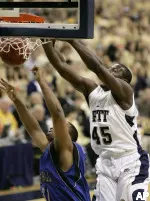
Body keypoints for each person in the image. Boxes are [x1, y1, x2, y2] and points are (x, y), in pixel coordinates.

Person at [42, 40, 150, 201]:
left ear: (123, 81)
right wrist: (46, 42)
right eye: (110, 68)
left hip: (130, 162)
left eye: (116, 70)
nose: (110, 70)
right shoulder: (93, 91)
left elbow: (98, 68)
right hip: (105, 162)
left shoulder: (125, 93)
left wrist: (71, 39)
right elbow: (61, 66)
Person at [0, 67, 91, 201]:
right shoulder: (49, 149)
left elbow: (58, 114)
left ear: (67, 137)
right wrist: (17, 101)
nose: (53, 126)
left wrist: (42, 82)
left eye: (62, 126)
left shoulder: (67, 151)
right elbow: (33, 128)